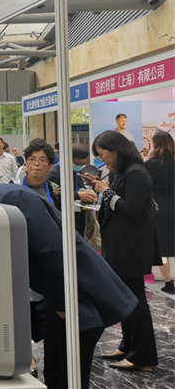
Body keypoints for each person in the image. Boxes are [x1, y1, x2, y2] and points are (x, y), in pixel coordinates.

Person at [0, 170, 137, 389]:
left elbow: (52, 251)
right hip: (55, 295)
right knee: (56, 369)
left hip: (76, 295)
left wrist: (63, 304)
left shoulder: (14, 199)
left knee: (65, 373)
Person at [82, 130, 159, 372]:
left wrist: (106, 191)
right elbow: (114, 199)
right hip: (120, 245)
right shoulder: (120, 172)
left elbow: (131, 210)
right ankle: (128, 346)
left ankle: (143, 356)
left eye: (102, 154)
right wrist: (99, 187)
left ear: (116, 150)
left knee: (135, 301)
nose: (101, 159)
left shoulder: (136, 173)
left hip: (132, 248)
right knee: (125, 299)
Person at [144, 132, 174, 294]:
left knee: (162, 249)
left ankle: (168, 282)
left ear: (154, 145)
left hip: (158, 210)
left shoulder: (150, 165)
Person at [46, 143, 99, 237]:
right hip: (62, 218)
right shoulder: (53, 174)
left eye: (84, 164)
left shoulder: (77, 172)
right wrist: (77, 195)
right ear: (69, 159)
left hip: (78, 218)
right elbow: (54, 195)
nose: (81, 166)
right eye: (79, 164)